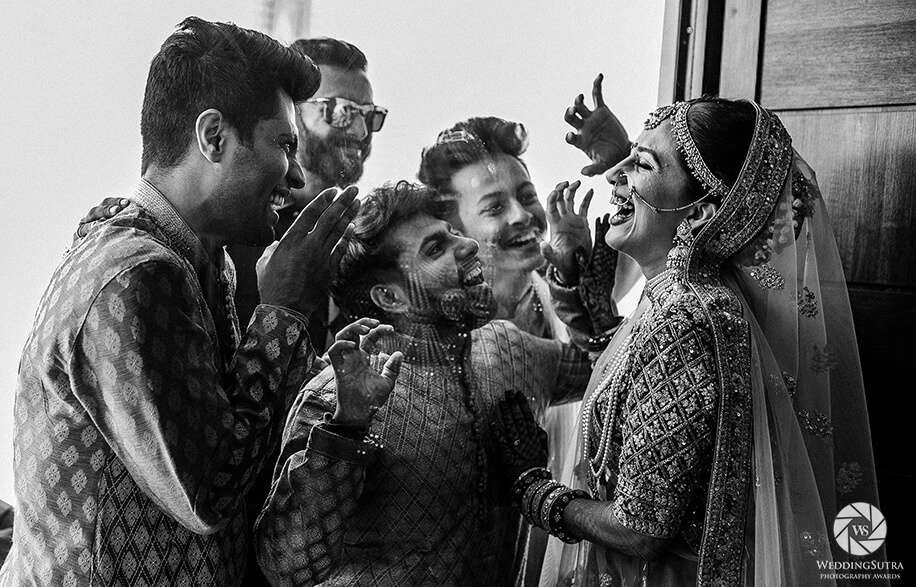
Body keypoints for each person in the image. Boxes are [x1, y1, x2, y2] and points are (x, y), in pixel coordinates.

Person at [0, 17, 363, 587]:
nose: (296, 175)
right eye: (285, 145)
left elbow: (249, 452)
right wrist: (284, 311)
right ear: (213, 137)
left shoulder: (201, 262)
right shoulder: (136, 274)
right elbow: (209, 494)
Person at [497, 92, 884, 586]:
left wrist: (534, 489)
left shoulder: (681, 318)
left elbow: (641, 529)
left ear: (700, 214)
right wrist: (576, 277)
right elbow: (634, 377)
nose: (614, 175)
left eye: (640, 164)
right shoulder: (696, 298)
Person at [254, 180, 594, 586]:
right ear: (391, 298)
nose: (468, 245)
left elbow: (600, 368)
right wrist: (346, 428)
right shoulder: (334, 396)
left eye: (453, 233)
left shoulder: (506, 348)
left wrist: (570, 274)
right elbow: (286, 566)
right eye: (435, 249)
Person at [417, 116, 622, 585]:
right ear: (455, 229)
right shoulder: (439, 333)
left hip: (573, 543)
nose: (521, 216)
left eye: (527, 196)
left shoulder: (567, 285)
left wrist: (619, 162)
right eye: (494, 207)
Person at [227, 36, 386, 349]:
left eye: (370, 115)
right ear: (291, 113)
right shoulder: (241, 228)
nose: (361, 132)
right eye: (341, 110)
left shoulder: (359, 232)